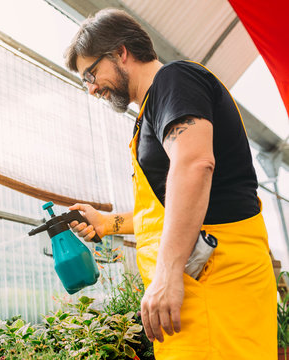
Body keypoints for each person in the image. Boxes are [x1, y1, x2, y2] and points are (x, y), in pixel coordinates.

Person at [64, 8, 276, 360]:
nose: (91, 88)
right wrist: (106, 224)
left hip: (214, 286)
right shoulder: (152, 109)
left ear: (121, 52)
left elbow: (194, 165)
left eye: (91, 73)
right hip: (197, 292)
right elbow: (166, 209)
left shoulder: (175, 80)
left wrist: (167, 273)